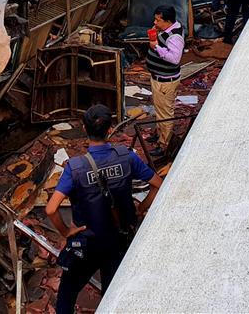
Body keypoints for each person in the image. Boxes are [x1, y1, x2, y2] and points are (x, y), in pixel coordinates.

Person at [46, 104, 163, 314]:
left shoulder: (75, 167)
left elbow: (51, 209)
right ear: (110, 129)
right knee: (112, 294)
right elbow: (157, 185)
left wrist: (66, 231)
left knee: (67, 294)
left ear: (84, 128)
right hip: (119, 239)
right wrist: (141, 208)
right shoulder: (127, 157)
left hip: (87, 242)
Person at [145, 5, 184, 158]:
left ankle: (164, 145)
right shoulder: (168, 29)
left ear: (168, 21)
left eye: (158, 20)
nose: (155, 22)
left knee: (165, 114)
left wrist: (156, 47)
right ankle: (159, 134)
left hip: (165, 81)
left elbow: (175, 59)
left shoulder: (175, 37)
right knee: (160, 109)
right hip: (158, 78)